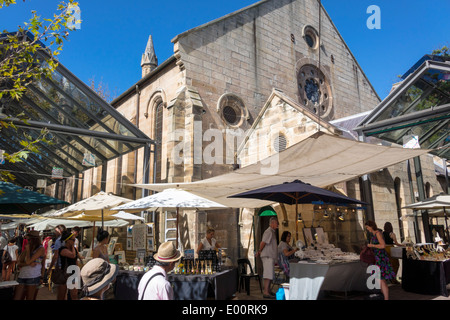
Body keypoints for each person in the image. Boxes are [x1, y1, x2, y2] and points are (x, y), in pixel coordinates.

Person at [364, 220, 396, 300]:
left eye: (367, 227)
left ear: (371, 226)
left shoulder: (378, 233)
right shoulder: (373, 234)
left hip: (380, 258)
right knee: (380, 280)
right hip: (377, 258)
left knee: (381, 280)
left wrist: (372, 245)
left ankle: (386, 298)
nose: (367, 229)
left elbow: (382, 245)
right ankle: (385, 297)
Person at [14, 231, 45, 300]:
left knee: (30, 297)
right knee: (17, 297)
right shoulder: (28, 247)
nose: (28, 241)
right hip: (22, 275)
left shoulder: (40, 249)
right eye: (27, 239)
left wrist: (27, 251)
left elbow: (29, 261)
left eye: (29, 239)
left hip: (33, 276)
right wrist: (26, 263)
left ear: (34, 239)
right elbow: (19, 262)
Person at [256, 217, 279, 299]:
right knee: (268, 275)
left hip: (270, 257)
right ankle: (266, 292)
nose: (278, 225)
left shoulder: (272, 232)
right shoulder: (268, 232)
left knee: (270, 274)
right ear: (272, 223)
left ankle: (268, 290)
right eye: (276, 223)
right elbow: (263, 242)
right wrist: (259, 250)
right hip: (267, 256)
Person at [57, 230, 83, 300]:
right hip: (65, 273)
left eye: (75, 240)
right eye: (73, 240)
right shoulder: (62, 249)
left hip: (73, 273)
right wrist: (73, 247)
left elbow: (76, 260)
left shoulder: (73, 249)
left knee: (74, 295)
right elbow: (72, 255)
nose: (74, 241)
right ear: (67, 240)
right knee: (62, 295)